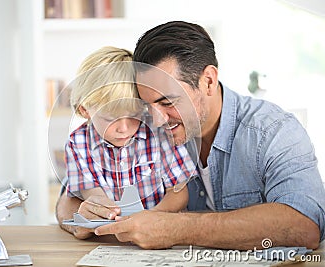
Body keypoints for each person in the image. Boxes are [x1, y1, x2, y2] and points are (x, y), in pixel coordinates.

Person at [57, 21, 325, 249]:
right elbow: (68, 199)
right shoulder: (140, 128)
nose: (156, 119)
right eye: (146, 106)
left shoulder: (273, 132)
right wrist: (80, 218)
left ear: (207, 81)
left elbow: (305, 225)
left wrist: (176, 228)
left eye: (167, 102)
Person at [58, 46, 197, 237]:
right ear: (85, 110)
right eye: (110, 118)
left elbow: (179, 191)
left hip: (161, 235)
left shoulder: (160, 133)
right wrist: (106, 217)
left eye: (134, 115)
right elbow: (94, 197)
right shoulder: (78, 144)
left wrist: (151, 219)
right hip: (110, 239)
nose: (124, 128)